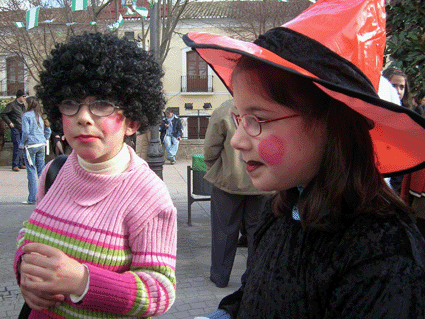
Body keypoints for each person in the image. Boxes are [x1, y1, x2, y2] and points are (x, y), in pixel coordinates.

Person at [184, 0, 425, 317]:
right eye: (240, 118)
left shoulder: (384, 256)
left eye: (258, 119)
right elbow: (252, 295)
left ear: (330, 125)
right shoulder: (280, 209)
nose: (238, 140)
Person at [14, 32, 177, 318]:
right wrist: (24, 274)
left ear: (132, 121)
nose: (83, 117)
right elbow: (28, 236)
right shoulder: (54, 172)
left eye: (102, 104)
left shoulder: (148, 195)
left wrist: (82, 281)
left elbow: (160, 291)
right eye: (71, 102)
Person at [203, 99, 271, 288]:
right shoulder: (269, 107)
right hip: (262, 182)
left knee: (224, 232)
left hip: (228, 182)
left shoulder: (224, 110)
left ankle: (220, 276)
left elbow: (210, 149)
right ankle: (254, 279)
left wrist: (219, 170)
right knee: (257, 233)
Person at [19, 96, 51, 205]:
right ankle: (45, 197)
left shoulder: (26, 116)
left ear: (29, 104)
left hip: (30, 145)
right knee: (41, 170)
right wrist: (44, 138)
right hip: (41, 144)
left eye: (25, 103)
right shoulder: (40, 116)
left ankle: (32, 198)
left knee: (31, 171)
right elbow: (48, 130)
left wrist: (22, 143)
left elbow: (26, 132)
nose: (24, 104)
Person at [1, 89, 26, 171]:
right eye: (23, 96)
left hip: (22, 128)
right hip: (15, 128)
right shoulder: (12, 105)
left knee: (21, 146)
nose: (24, 98)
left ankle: (20, 163)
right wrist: (10, 123)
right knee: (17, 145)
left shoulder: (23, 106)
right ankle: (15, 165)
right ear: (19, 97)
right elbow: (3, 113)